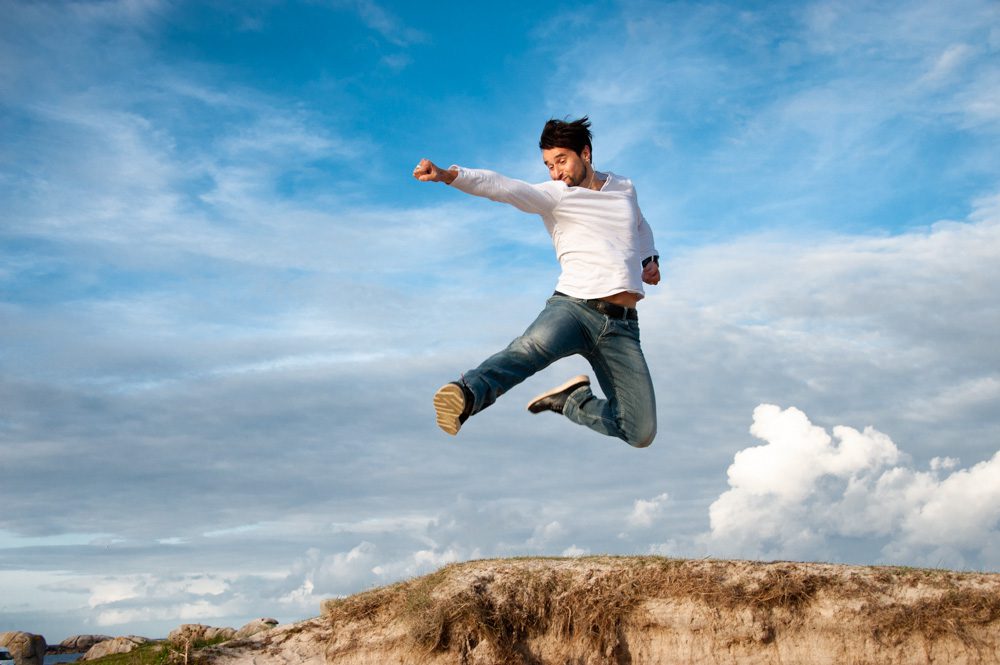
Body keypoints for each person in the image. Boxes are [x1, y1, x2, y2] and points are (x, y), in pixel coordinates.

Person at [412, 116, 660, 448]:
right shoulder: (556, 195)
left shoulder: (623, 187)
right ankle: (467, 394)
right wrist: (447, 175)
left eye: (562, 160)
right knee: (526, 351)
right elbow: (503, 187)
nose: (557, 172)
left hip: (622, 327)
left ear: (585, 153)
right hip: (574, 309)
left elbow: (640, 226)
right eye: (548, 165)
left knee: (640, 431)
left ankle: (574, 401)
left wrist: (650, 259)